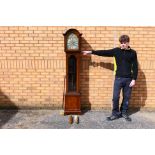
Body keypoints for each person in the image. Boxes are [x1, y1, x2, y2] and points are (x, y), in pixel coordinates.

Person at [82, 35, 138, 121]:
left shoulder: (133, 53)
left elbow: (135, 66)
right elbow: (104, 52)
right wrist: (91, 52)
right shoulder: (116, 51)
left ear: (128, 42)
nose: (123, 44)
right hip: (118, 79)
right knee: (115, 97)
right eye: (121, 43)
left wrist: (134, 79)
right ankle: (115, 114)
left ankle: (124, 112)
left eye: (124, 42)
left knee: (126, 97)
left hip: (128, 79)